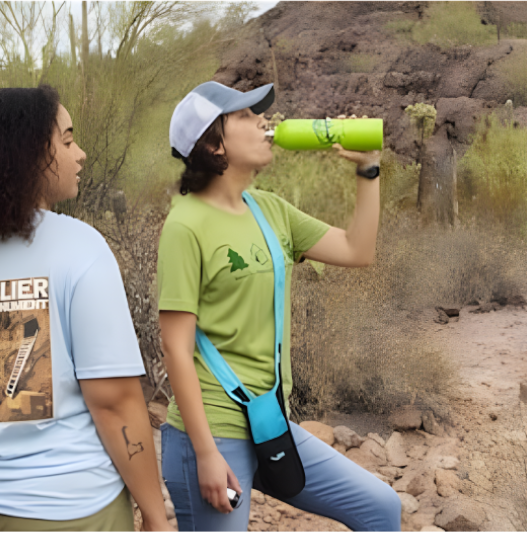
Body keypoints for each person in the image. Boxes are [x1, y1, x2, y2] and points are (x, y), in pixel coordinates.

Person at [0, 85, 172, 533]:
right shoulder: (80, 248)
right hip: (68, 510)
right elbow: (115, 403)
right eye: (67, 141)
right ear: (27, 158)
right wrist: (156, 516)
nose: (80, 154)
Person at [156, 81, 402, 532]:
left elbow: (357, 250)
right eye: (245, 116)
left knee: (381, 508)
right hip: (212, 432)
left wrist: (368, 168)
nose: (263, 121)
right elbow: (176, 348)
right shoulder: (185, 225)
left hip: (271, 422)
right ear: (213, 144)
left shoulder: (270, 210)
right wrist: (206, 453)